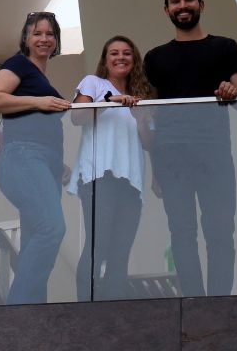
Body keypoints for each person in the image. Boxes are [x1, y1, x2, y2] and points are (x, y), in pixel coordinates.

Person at [144, 0, 237, 297]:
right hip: (170, 154)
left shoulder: (225, 47)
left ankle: (219, 302)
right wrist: (154, 168)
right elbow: (148, 115)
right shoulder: (155, 57)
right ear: (166, 10)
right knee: (181, 232)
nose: (183, 5)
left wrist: (233, 92)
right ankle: (193, 301)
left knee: (220, 230)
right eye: (176, 1)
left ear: (201, 5)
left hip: (214, 151)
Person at [0, 11, 71, 304]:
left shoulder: (40, 74)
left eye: (50, 34)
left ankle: (32, 312)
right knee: (52, 227)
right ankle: (18, 308)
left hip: (42, 163)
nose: (44, 39)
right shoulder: (18, 63)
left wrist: (59, 164)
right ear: (26, 38)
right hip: (22, 157)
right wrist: (39, 101)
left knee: (38, 235)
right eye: (37, 33)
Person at [69, 35, 153, 301]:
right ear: (105, 60)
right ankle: (87, 310)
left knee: (120, 251)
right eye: (114, 53)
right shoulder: (93, 83)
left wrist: (140, 120)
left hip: (131, 180)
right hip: (98, 175)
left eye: (127, 53)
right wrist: (108, 102)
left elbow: (149, 143)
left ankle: (113, 314)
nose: (120, 57)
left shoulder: (141, 97)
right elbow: (76, 116)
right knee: (98, 246)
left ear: (134, 59)